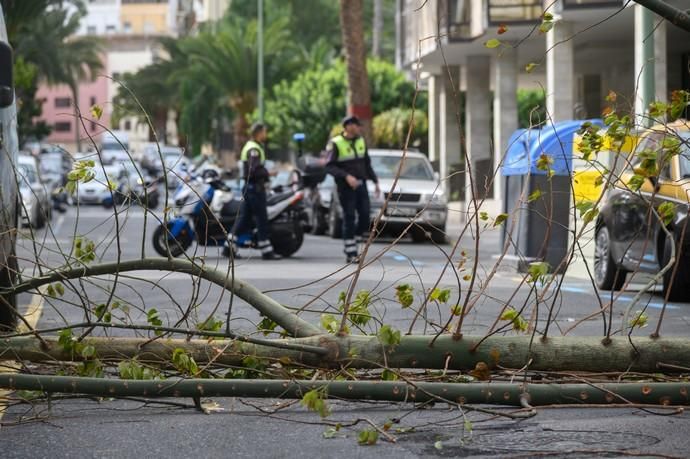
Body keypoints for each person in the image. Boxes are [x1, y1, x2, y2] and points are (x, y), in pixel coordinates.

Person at [325, 115, 380, 263]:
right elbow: (329, 166)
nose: (358, 128)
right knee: (349, 217)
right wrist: (346, 176)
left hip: (361, 185)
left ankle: (353, 241)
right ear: (348, 126)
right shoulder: (336, 143)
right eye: (356, 125)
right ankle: (351, 252)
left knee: (365, 216)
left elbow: (367, 164)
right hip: (345, 187)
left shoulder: (361, 140)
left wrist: (375, 182)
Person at [225, 122, 281, 260]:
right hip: (255, 189)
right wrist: (269, 173)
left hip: (250, 188)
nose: (265, 134)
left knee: (244, 219)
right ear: (259, 132)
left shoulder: (251, 147)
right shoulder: (253, 149)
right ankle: (267, 250)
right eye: (264, 132)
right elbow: (253, 169)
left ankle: (228, 246)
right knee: (262, 219)